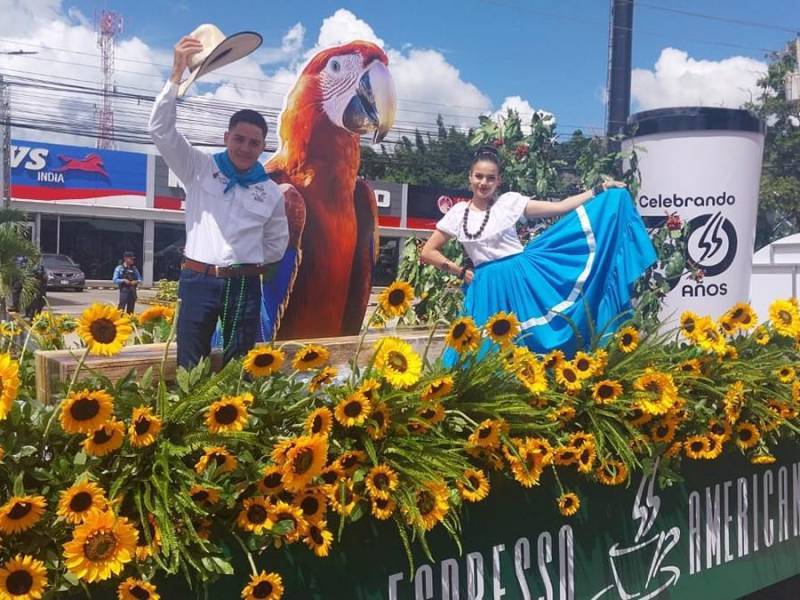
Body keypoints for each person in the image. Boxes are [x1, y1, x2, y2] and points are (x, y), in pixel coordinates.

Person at [421, 145, 657, 358]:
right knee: (480, 350)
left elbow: (560, 206)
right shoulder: (458, 212)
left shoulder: (509, 203)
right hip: (485, 285)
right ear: (470, 177)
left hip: (520, 280)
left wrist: (598, 190)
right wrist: (460, 271)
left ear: (498, 181)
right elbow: (429, 252)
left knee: (530, 342)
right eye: (479, 176)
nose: (483, 183)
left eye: (490, 178)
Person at [149, 35, 289, 369]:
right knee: (189, 366)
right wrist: (175, 76)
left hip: (244, 282)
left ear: (262, 147)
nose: (245, 147)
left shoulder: (269, 191)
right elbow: (160, 131)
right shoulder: (198, 167)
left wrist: (245, 261)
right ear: (227, 138)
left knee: (242, 366)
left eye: (254, 142)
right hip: (197, 280)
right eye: (239, 139)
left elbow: (276, 244)